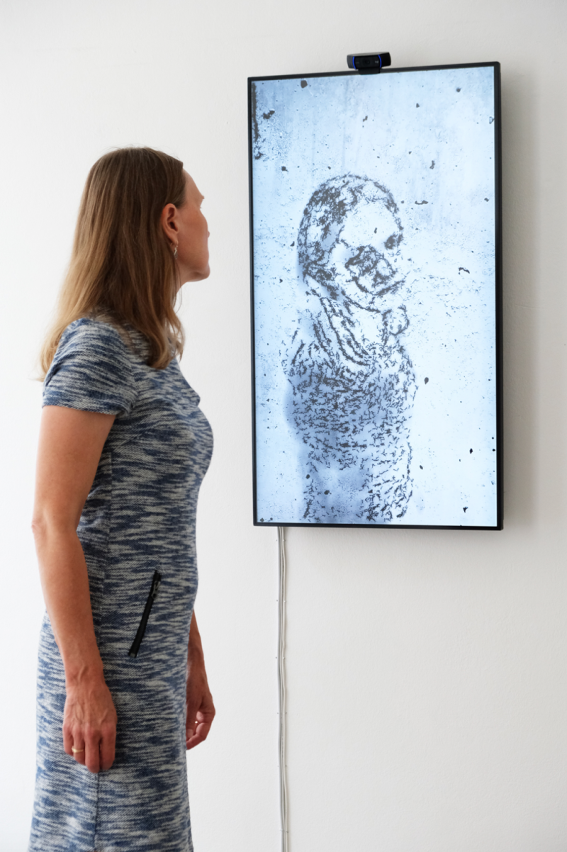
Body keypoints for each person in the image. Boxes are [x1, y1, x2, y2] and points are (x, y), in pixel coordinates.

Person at [29, 147, 215, 852]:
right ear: (169, 221)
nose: (207, 223)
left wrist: (190, 654)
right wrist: (84, 682)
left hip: (150, 659)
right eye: (199, 207)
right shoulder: (99, 347)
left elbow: (156, 533)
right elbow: (51, 523)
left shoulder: (150, 351)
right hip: (106, 664)